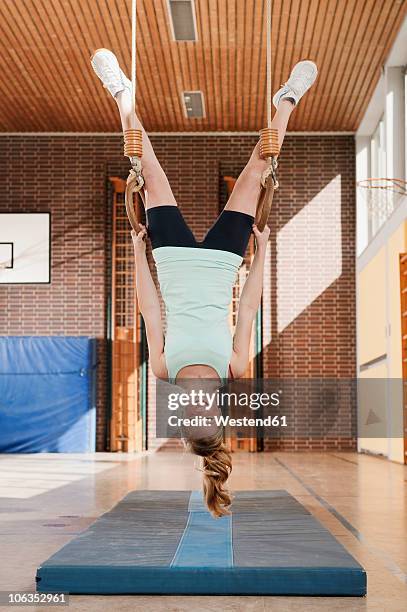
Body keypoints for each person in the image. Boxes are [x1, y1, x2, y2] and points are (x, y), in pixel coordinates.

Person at [91, 49, 317, 516]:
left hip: (172, 260)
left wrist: (138, 251)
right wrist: (261, 254)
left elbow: (150, 309)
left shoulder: (164, 370)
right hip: (221, 263)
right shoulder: (231, 367)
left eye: (187, 415)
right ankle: (288, 100)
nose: (195, 407)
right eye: (204, 413)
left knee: (147, 167)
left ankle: (121, 94)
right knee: (259, 168)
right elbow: (249, 308)